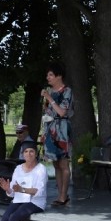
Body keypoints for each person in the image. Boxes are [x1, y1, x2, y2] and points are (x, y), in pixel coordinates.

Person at [41, 62, 73, 206]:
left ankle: (64, 195)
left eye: (51, 75)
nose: (48, 77)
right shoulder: (49, 92)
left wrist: (50, 98)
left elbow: (62, 112)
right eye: (47, 75)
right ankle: (60, 195)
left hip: (62, 130)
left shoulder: (67, 91)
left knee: (64, 164)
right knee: (56, 165)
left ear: (58, 76)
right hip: (50, 129)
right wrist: (44, 131)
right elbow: (47, 114)